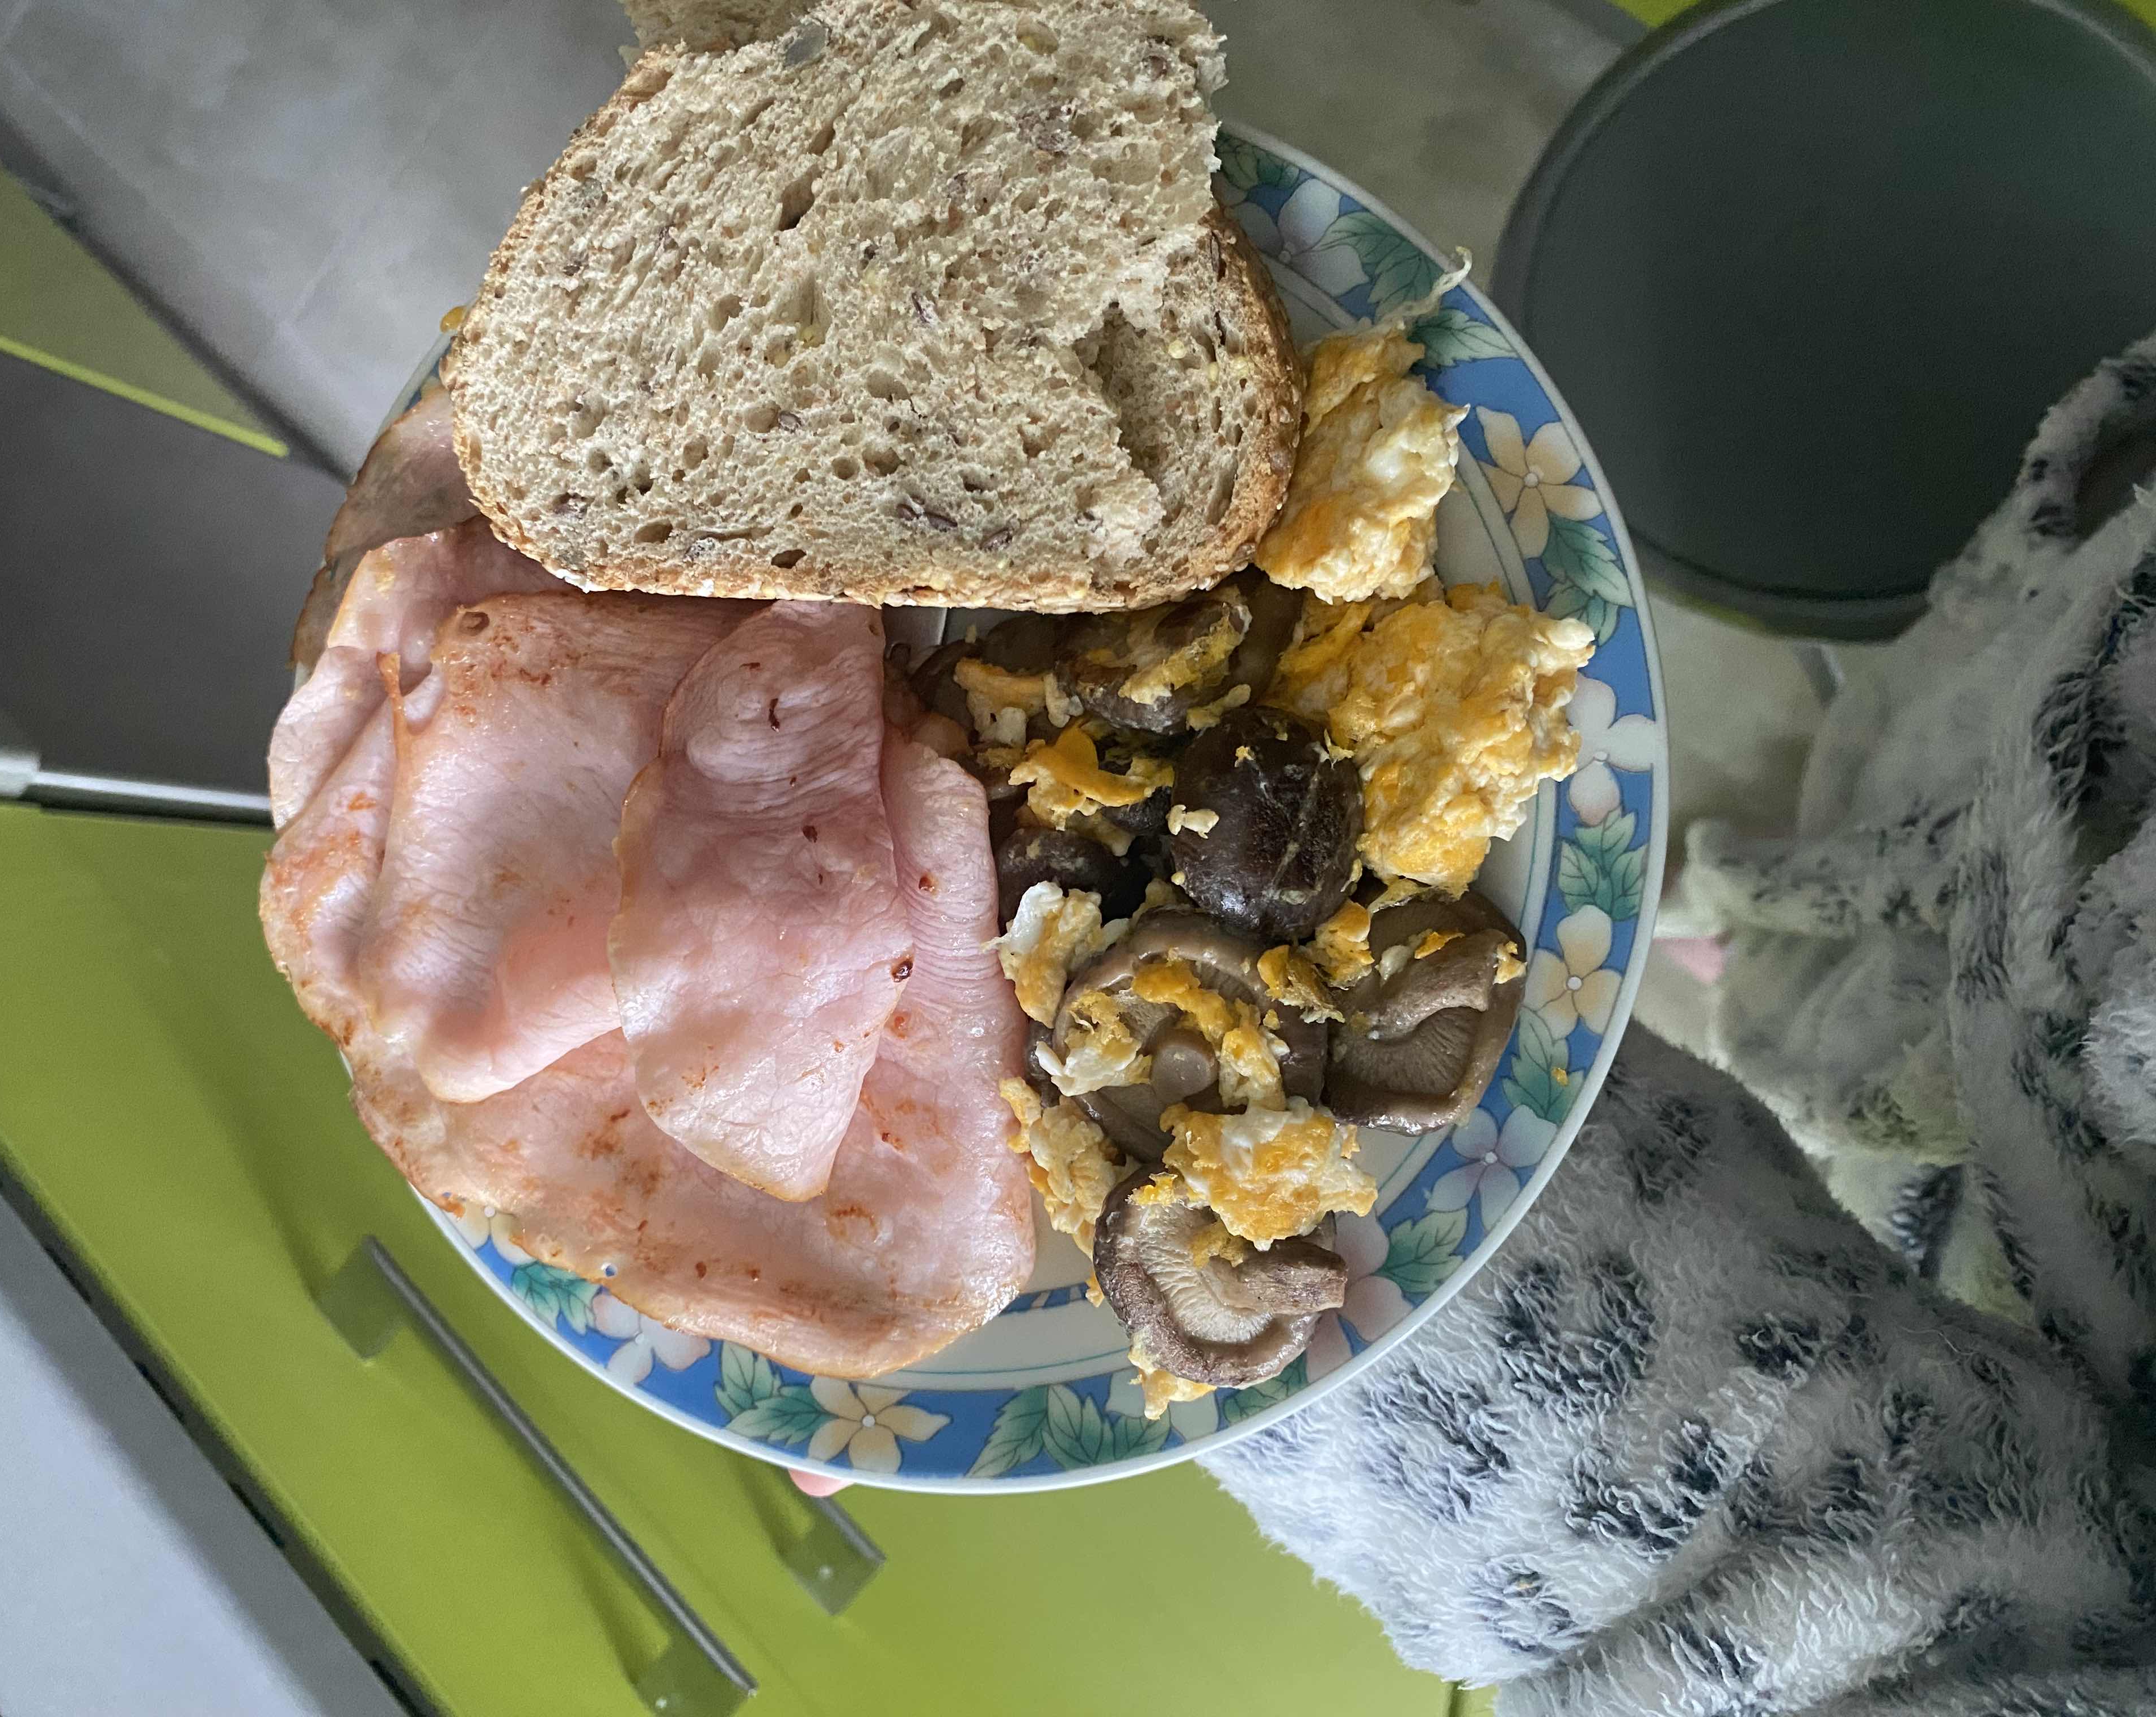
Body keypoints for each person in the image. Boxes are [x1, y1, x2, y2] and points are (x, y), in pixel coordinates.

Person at [798, 336, 2156, 1714]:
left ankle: (1784, 913)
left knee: (1871, 917)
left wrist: (1374, 1288)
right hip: (2052, 859)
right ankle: (1788, 902)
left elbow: (1853, 1587)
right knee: (1889, 828)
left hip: (2006, 1082)